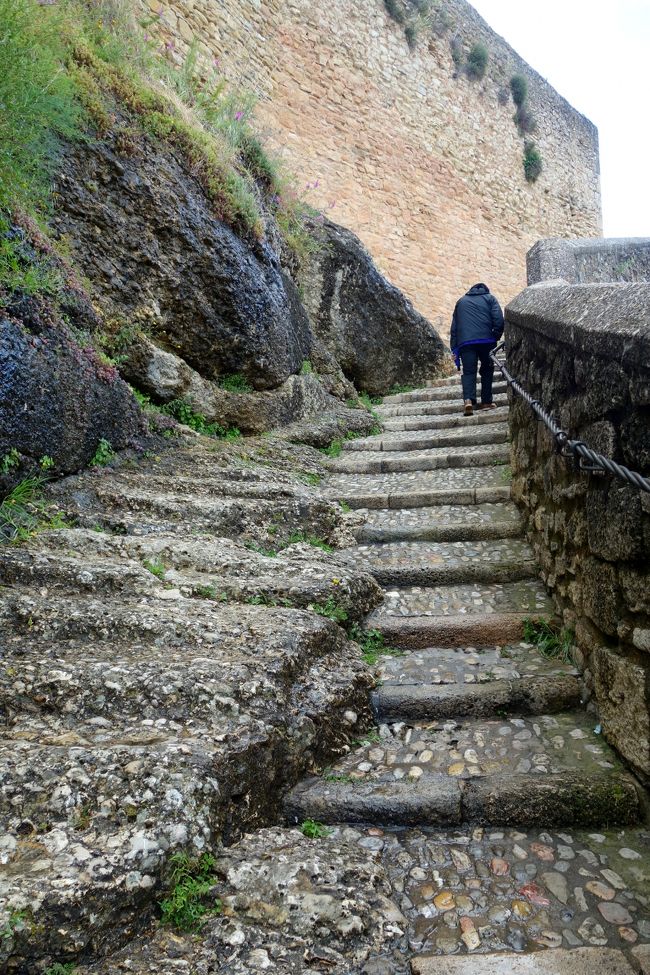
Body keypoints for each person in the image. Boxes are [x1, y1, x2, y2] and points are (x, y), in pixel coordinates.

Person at [449, 282, 504, 416]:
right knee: (487, 369)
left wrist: (454, 347)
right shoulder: (490, 298)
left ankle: (468, 400)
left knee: (468, 371)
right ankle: (486, 402)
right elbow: (498, 319)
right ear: (485, 290)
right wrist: (495, 335)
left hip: (465, 342)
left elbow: (454, 328)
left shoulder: (461, 302)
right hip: (487, 341)